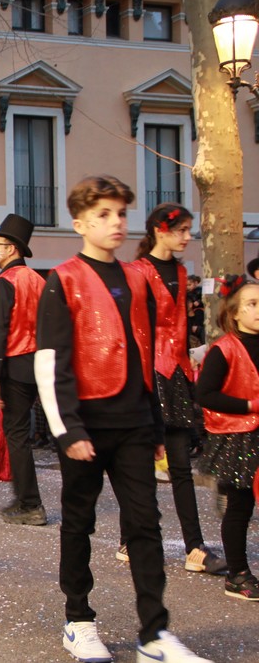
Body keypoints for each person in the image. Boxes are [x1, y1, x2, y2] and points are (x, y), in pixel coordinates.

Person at [35, 176, 212, 663]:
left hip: (134, 419)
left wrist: (154, 423)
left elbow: (143, 351)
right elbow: (50, 360)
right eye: (103, 214)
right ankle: (78, 620)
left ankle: (154, 634)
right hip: (85, 422)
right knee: (79, 521)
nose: (115, 222)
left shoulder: (138, 278)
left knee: (145, 524)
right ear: (79, 223)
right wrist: (66, 428)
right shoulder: (63, 279)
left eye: (120, 213)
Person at [124, 204, 226, 574]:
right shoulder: (136, 272)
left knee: (180, 464)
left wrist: (191, 356)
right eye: (181, 230)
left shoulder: (182, 273)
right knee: (138, 464)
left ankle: (194, 547)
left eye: (188, 229)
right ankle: (129, 538)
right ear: (158, 230)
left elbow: (178, 325)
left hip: (177, 373)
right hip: (146, 374)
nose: (187, 237)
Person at [195, 275, 259, 601]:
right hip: (239, 438)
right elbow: (205, 394)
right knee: (240, 507)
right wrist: (249, 405)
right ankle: (237, 574)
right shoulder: (224, 349)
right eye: (252, 304)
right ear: (234, 312)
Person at [0, 213, 47, 525]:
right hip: (41, 364)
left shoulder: (4, 283)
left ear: (11, 249)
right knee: (45, 432)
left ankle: (30, 504)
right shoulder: (39, 281)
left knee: (17, 435)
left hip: (16, 364)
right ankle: (28, 501)